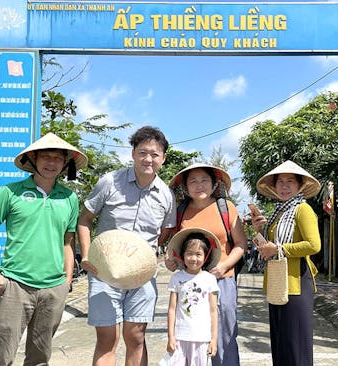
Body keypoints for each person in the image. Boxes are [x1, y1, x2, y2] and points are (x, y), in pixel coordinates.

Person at [0, 132, 88, 365]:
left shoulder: (69, 198)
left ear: (65, 163)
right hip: (16, 284)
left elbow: (68, 242)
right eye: (46, 157)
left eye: (58, 158)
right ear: (33, 160)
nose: (51, 163)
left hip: (53, 288)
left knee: (40, 355)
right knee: (2, 355)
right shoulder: (10, 192)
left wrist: (67, 280)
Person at [77, 126, 176, 366]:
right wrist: (87, 255)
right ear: (133, 153)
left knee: (136, 336)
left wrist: (144, 255)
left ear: (163, 158)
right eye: (143, 152)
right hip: (104, 271)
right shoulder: (110, 181)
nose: (148, 159)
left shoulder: (166, 195)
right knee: (107, 339)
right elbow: (85, 219)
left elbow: (166, 233)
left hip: (143, 275)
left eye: (154, 154)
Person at [166, 163, 247, 366]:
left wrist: (224, 266)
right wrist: (172, 261)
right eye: (193, 180)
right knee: (190, 335)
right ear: (185, 186)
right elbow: (175, 245)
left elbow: (240, 244)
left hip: (222, 281)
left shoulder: (226, 208)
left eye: (204, 180)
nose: (199, 185)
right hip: (189, 284)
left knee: (224, 335)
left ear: (213, 184)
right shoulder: (181, 211)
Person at [251, 160, 322, 366]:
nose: (284, 186)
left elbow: (313, 245)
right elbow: (269, 246)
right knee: (281, 342)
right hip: (278, 282)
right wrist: (258, 231)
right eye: (280, 182)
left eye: (290, 181)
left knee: (295, 344)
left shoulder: (302, 209)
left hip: (297, 282)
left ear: (300, 186)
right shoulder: (278, 212)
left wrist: (280, 249)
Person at [166, 227, 221, 365]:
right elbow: (172, 309)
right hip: (180, 337)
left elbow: (213, 311)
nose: (193, 258)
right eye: (189, 254)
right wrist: (171, 337)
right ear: (182, 255)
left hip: (202, 338)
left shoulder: (210, 279)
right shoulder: (176, 278)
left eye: (198, 254)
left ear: (206, 256)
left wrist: (214, 340)